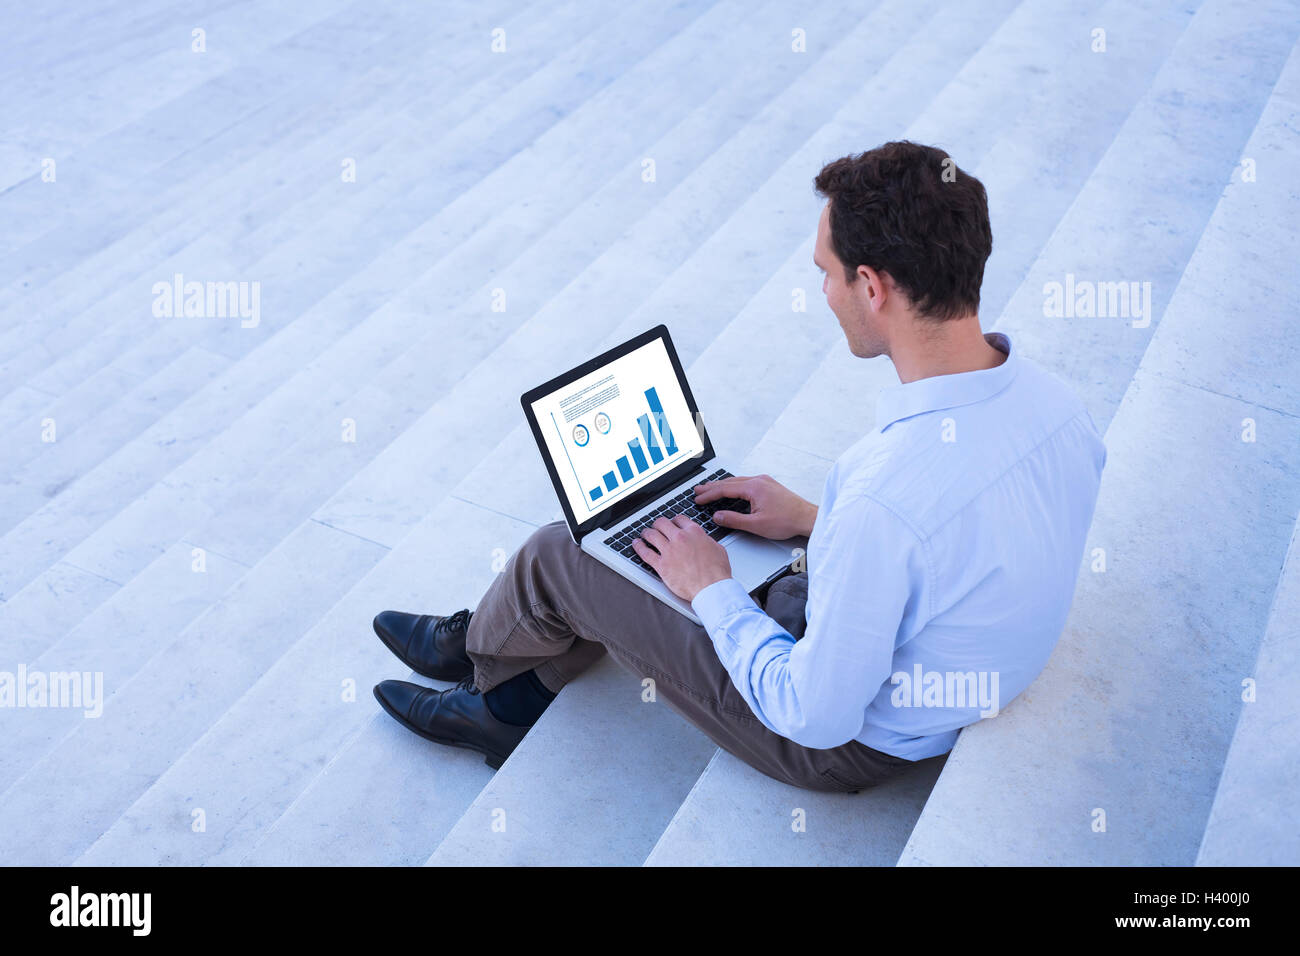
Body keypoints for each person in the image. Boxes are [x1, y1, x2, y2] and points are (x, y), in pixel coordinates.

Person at [371, 140, 1106, 790]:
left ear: (873, 287)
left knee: (564, 553)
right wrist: (817, 523)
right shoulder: (1060, 409)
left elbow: (811, 713)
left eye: (827, 273)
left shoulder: (885, 497)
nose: (822, 293)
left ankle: (484, 679)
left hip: (839, 739)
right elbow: (950, 538)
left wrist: (714, 591)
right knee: (641, 552)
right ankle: (508, 677)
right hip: (913, 657)